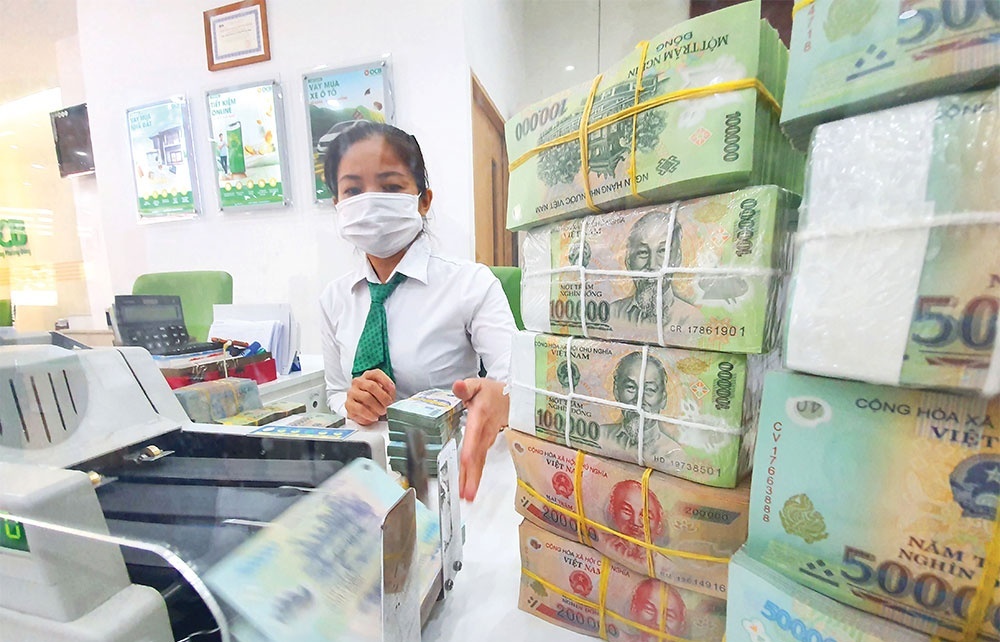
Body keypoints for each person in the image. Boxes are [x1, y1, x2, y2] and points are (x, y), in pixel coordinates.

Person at [319, 121, 514, 501]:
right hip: (366, 478)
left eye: (391, 187)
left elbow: (515, 382)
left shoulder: (471, 283)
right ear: (337, 205)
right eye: (353, 190)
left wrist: (500, 397)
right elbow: (335, 391)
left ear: (424, 200)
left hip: (451, 477)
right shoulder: (334, 298)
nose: (370, 202)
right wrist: (351, 403)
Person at [604, 479, 666, 562]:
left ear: (659, 525)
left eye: (646, 516)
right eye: (627, 511)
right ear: (612, 511)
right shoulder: (601, 541)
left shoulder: (664, 565)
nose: (635, 522)